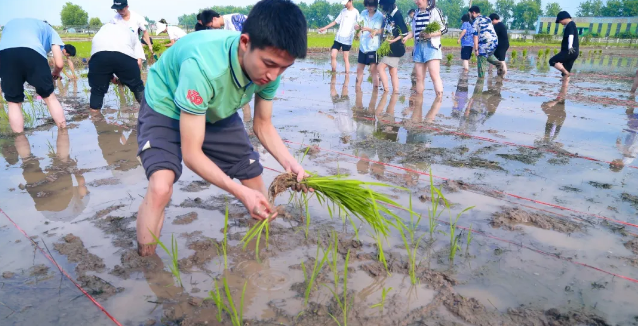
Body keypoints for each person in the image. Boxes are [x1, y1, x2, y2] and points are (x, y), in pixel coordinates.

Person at [135, 0, 309, 256]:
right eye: (270, 64)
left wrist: (290, 163)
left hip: (215, 109)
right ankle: (146, 265)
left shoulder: (270, 71)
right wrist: (238, 192)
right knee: (161, 186)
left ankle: (258, 259)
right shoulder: (203, 67)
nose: (274, 75)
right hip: (167, 105)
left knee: (255, 185)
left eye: (284, 67)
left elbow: (262, 125)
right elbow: (192, 154)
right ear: (245, 42)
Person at [0, 18, 68, 133]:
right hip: (32, 52)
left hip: (5, 54)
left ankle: (20, 142)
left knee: (13, 102)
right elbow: (59, 63)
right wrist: (56, 72)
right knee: (50, 98)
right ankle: (63, 133)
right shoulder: (50, 30)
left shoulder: (10, 24)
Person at [88, 22, 146, 111]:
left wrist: (111, 77)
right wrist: (134, 79)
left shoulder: (102, 30)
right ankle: (149, 114)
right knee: (138, 87)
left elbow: (103, 59)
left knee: (97, 91)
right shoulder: (131, 32)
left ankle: (96, 119)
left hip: (98, 56)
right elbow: (138, 62)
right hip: (124, 55)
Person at [403, 0, 448, 96]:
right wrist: (407, 37)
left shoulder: (434, 11)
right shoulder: (416, 13)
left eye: (417, 0)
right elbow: (414, 31)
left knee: (434, 75)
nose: (415, 2)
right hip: (418, 47)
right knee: (419, 77)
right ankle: (419, 102)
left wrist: (430, 35)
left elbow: (444, 29)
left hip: (431, 46)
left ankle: (439, 100)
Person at [318, 0, 361, 74]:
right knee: (333, 55)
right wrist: (324, 28)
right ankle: (333, 73)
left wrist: (358, 33)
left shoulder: (356, 12)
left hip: (347, 38)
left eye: (346, 3)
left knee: (345, 58)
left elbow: (359, 25)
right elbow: (335, 22)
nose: (345, 5)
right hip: (338, 37)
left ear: (350, 1)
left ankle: (347, 75)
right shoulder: (343, 11)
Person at [377, 0, 409, 94]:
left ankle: (386, 91)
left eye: (382, 6)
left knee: (380, 67)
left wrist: (393, 40)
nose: (382, 8)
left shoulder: (397, 15)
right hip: (388, 46)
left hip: (395, 47)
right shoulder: (389, 14)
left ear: (388, 5)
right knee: (392, 71)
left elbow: (404, 33)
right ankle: (395, 93)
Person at [355, 0, 384, 88]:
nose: (369, 8)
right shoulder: (363, 13)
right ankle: (358, 89)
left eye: (371, 6)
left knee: (373, 70)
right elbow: (359, 25)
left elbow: (378, 31)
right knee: (359, 69)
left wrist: (368, 29)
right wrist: (357, 28)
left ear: (375, 5)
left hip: (373, 47)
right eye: (367, 5)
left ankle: (376, 90)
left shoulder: (379, 16)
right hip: (363, 46)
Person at [469, 6, 502, 78]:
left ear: (473, 13)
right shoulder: (487, 18)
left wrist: (476, 49)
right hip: (494, 42)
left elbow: (475, 36)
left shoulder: (475, 21)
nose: (470, 16)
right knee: (488, 55)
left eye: (470, 14)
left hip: (485, 43)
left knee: (481, 60)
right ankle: (499, 64)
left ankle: (480, 81)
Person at [549, 11, 579, 80]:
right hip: (575, 52)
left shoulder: (570, 24)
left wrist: (570, 47)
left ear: (563, 18)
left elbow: (571, 35)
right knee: (566, 71)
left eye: (560, 21)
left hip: (569, 51)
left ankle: (565, 73)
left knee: (552, 61)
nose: (560, 23)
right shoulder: (572, 24)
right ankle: (564, 89)